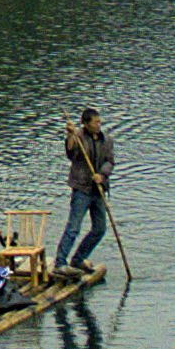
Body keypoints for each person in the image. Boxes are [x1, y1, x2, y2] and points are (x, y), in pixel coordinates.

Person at [59, 108, 111, 274]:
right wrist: (70, 135)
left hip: (98, 190)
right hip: (81, 189)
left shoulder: (106, 140)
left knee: (100, 228)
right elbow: (71, 152)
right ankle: (60, 262)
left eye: (99, 122)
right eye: (95, 122)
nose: (98, 125)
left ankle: (78, 259)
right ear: (86, 124)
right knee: (73, 227)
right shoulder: (79, 136)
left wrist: (102, 175)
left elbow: (110, 161)